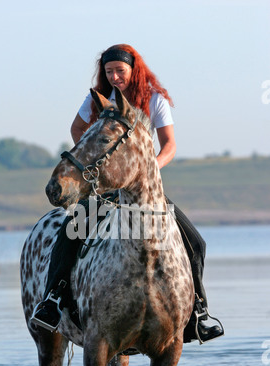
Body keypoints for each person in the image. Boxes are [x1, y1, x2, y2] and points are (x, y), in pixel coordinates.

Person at [32, 44, 224, 344]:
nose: (114, 77)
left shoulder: (154, 99)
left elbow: (170, 144)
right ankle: (53, 300)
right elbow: (77, 128)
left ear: (134, 70)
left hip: (144, 191)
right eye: (109, 72)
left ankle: (199, 312)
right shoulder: (98, 98)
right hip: (104, 187)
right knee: (71, 232)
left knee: (196, 243)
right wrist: (96, 161)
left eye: (119, 71)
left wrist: (150, 168)